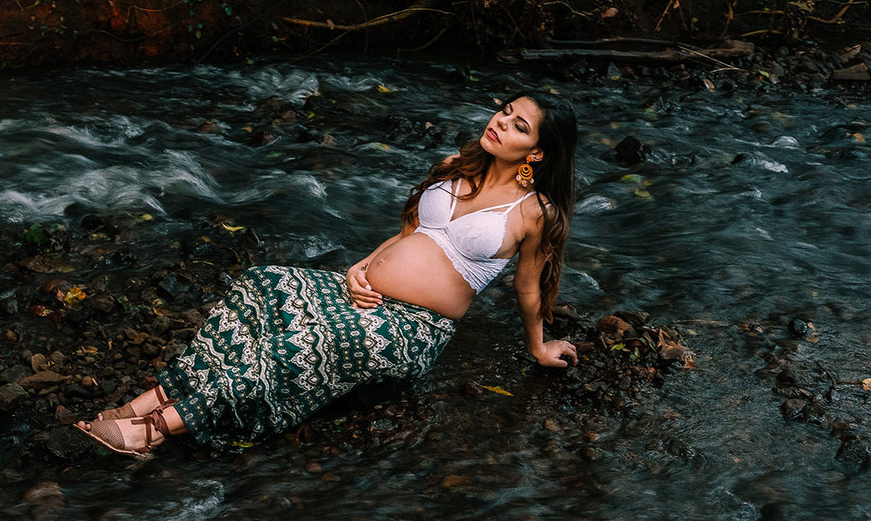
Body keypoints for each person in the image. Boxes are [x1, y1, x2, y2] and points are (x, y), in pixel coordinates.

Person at [76, 92, 579, 456]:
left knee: (297, 346)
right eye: (505, 112)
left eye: (518, 126)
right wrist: (363, 267)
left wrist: (538, 346)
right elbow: (412, 232)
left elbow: (528, 285)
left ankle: (159, 427)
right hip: (361, 294)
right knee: (264, 284)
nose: (500, 123)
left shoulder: (535, 211)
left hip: (414, 327)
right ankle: (153, 397)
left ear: (536, 153)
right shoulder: (454, 164)